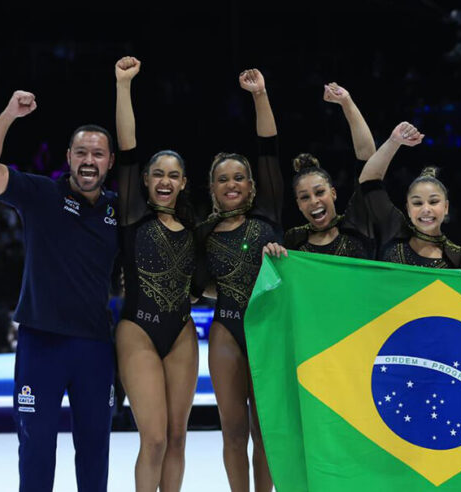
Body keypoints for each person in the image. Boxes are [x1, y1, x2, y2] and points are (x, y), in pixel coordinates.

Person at [0, 92, 118, 491]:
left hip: (94, 347)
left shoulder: (117, 210)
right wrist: (8, 114)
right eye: (81, 152)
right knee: (36, 447)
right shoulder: (41, 194)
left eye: (98, 153)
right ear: (69, 157)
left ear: (109, 161)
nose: (89, 160)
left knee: (94, 448)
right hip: (42, 344)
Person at [193, 68, 281, 492]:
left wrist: (260, 95)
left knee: (265, 432)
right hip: (227, 328)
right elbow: (198, 285)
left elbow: (267, 148)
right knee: (233, 432)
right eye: (223, 178)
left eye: (239, 177)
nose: (232, 183)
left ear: (251, 185)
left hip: (268, 329)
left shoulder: (268, 216)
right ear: (212, 187)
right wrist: (227, 292)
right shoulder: (204, 232)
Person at [114, 56, 198, 492]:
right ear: (145, 181)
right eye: (157, 174)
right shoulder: (131, 214)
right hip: (138, 330)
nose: (165, 181)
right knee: (155, 438)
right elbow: (126, 149)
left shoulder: (195, 229)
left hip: (181, 331)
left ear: (184, 183)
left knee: (180, 438)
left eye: (174, 175)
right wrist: (123, 85)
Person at [265, 82, 376, 260]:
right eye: (305, 197)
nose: (314, 201)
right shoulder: (293, 240)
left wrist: (346, 102)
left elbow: (369, 160)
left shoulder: (355, 223)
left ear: (333, 193)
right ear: (298, 204)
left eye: (319, 192)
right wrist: (271, 255)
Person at [358, 122, 461, 278]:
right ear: (408, 209)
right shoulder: (394, 230)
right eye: (417, 203)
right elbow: (368, 181)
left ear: (446, 207)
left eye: (433, 201)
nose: (426, 209)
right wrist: (393, 141)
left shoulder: (459, 256)